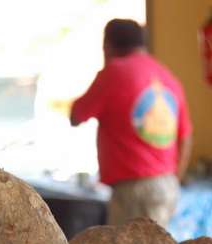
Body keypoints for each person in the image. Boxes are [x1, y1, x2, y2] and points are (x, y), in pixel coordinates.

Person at [70, 19, 192, 227]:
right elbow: (186, 138)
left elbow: (76, 116)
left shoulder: (113, 73)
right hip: (168, 185)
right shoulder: (166, 75)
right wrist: (173, 179)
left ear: (107, 46)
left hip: (134, 190)